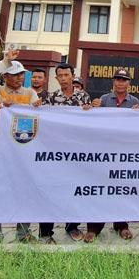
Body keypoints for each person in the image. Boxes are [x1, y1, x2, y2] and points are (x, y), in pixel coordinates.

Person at [0, 50, 43, 243]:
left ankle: (23, 232)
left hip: (22, 151)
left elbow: (37, 119)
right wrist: (5, 62)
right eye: (14, 75)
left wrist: (39, 109)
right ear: (6, 76)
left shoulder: (30, 93)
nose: (19, 79)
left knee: (24, 190)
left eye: (21, 75)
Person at [86, 69, 139, 242]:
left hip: (125, 153)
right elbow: (92, 122)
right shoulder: (102, 100)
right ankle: (94, 227)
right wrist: (89, 109)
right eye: (118, 79)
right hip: (104, 152)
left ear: (128, 83)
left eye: (124, 80)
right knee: (100, 189)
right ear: (113, 82)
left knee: (123, 189)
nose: (120, 83)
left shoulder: (135, 102)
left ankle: (121, 225)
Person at [47, 62, 91, 241]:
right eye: (60, 76)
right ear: (56, 78)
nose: (64, 79)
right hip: (55, 152)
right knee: (51, 189)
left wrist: (90, 111)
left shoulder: (83, 97)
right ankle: (46, 231)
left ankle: (72, 226)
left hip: (77, 152)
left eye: (67, 75)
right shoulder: (50, 98)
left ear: (72, 76)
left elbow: (89, 123)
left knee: (76, 189)